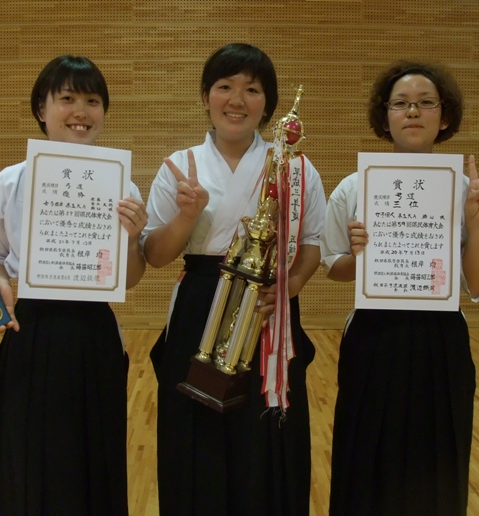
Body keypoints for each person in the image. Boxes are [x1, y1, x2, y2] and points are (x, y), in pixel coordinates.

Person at [140, 43, 326, 515]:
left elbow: (310, 248)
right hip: (201, 302)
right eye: (225, 87)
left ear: (269, 103)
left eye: (252, 89)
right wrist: (186, 216)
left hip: (267, 307)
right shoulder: (181, 165)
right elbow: (156, 255)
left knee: (264, 433)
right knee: (193, 428)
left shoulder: (296, 167)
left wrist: (289, 289)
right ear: (206, 97)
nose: (237, 99)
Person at [321, 60, 479, 516]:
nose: (412, 112)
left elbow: (477, 283)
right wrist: (356, 252)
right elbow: (334, 269)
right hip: (373, 337)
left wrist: (477, 223)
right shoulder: (352, 187)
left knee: (437, 459)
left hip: (440, 339)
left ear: (444, 117)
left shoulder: (466, 188)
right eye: (400, 103)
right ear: (384, 116)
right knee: (365, 452)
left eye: (426, 103)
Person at [0, 55, 147, 515]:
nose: (81, 111)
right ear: (41, 109)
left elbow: (127, 280)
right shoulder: (6, 185)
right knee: (28, 452)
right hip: (30, 330)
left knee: (95, 452)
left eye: (92, 100)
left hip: (94, 334)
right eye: (67, 98)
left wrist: (132, 241)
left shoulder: (123, 187)